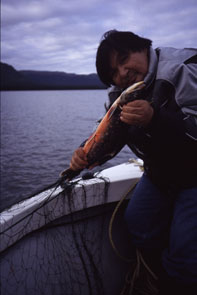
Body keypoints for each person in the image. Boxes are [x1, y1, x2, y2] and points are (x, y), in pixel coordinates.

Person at [69, 30, 197, 294]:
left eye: (124, 59)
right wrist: (85, 152)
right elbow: (109, 137)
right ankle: (163, 274)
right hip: (160, 173)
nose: (122, 73)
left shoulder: (182, 69)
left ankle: (179, 277)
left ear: (143, 47)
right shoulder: (121, 94)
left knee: (184, 256)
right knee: (139, 225)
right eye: (114, 73)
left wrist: (155, 118)